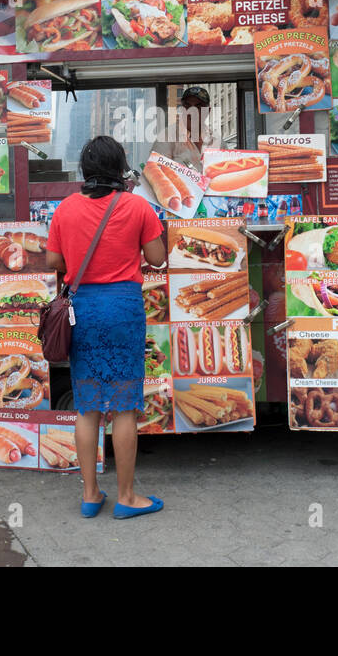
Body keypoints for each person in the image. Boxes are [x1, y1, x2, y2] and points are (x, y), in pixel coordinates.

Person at [45, 136, 167, 519]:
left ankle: (90, 494)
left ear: (84, 170)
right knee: (125, 406)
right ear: (119, 168)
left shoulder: (65, 209)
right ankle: (127, 497)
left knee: (88, 407)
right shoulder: (137, 206)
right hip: (123, 309)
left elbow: (53, 259)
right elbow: (158, 259)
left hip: (84, 310)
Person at [150, 86, 221, 172]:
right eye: (187, 106)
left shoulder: (217, 142)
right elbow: (156, 174)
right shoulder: (166, 138)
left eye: (198, 107)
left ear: (208, 111)